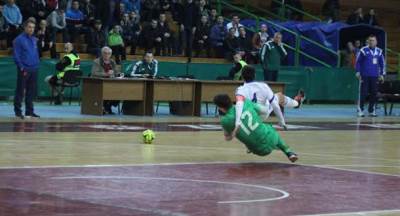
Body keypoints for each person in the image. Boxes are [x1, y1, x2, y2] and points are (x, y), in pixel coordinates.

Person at [213, 94, 298, 162]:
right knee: (268, 128)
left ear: (220, 107)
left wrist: (229, 129)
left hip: (258, 150)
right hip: (270, 137)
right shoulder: (246, 102)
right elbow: (264, 110)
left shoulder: (225, 121)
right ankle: (288, 151)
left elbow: (227, 138)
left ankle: (249, 147)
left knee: (249, 132)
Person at [235, 65, 304, 130]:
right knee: (279, 96)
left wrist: (237, 123)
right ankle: (297, 103)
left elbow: (239, 106)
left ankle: (297, 103)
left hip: (248, 117)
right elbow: (275, 106)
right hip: (262, 115)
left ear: (242, 76)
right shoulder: (263, 86)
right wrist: (282, 122)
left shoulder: (240, 90)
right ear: (255, 75)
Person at [13, 19, 40, 119]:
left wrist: (37, 64)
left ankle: (29, 112)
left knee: (31, 91)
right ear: (25, 28)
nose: (31, 29)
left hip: (34, 69)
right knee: (20, 91)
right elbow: (16, 56)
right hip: (24, 69)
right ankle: (18, 112)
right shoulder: (18, 40)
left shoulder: (34, 39)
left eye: (33, 27)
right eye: (29, 27)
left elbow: (35, 53)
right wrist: (21, 67)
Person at [355, 35, 385, 117]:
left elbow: (382, 64)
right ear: (368, 41)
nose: (371, 42)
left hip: (374, 76)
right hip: (364, 75)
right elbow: (358, 62)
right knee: (363, 93)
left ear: (376, 42)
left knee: (374, 93)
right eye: (370, 40)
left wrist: (382, 74)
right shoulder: (363, 50)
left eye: (373, 40)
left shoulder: (379, 51)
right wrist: (357, 71)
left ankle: (371, 110)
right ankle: (360, 110)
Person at [91, 46, 121, 114]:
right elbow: (94, 72)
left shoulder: (112, 61)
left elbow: (116, 71)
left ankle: (107, 106)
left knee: (120, 91)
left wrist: (117, 73)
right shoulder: (97, 61)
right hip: (99, 83)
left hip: (111, 83)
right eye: (105, 53)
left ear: (111, 54)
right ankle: (105, 107)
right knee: (107, 91)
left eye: (109, 53)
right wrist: (106, 74)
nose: (107, 55)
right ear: (102, 53)